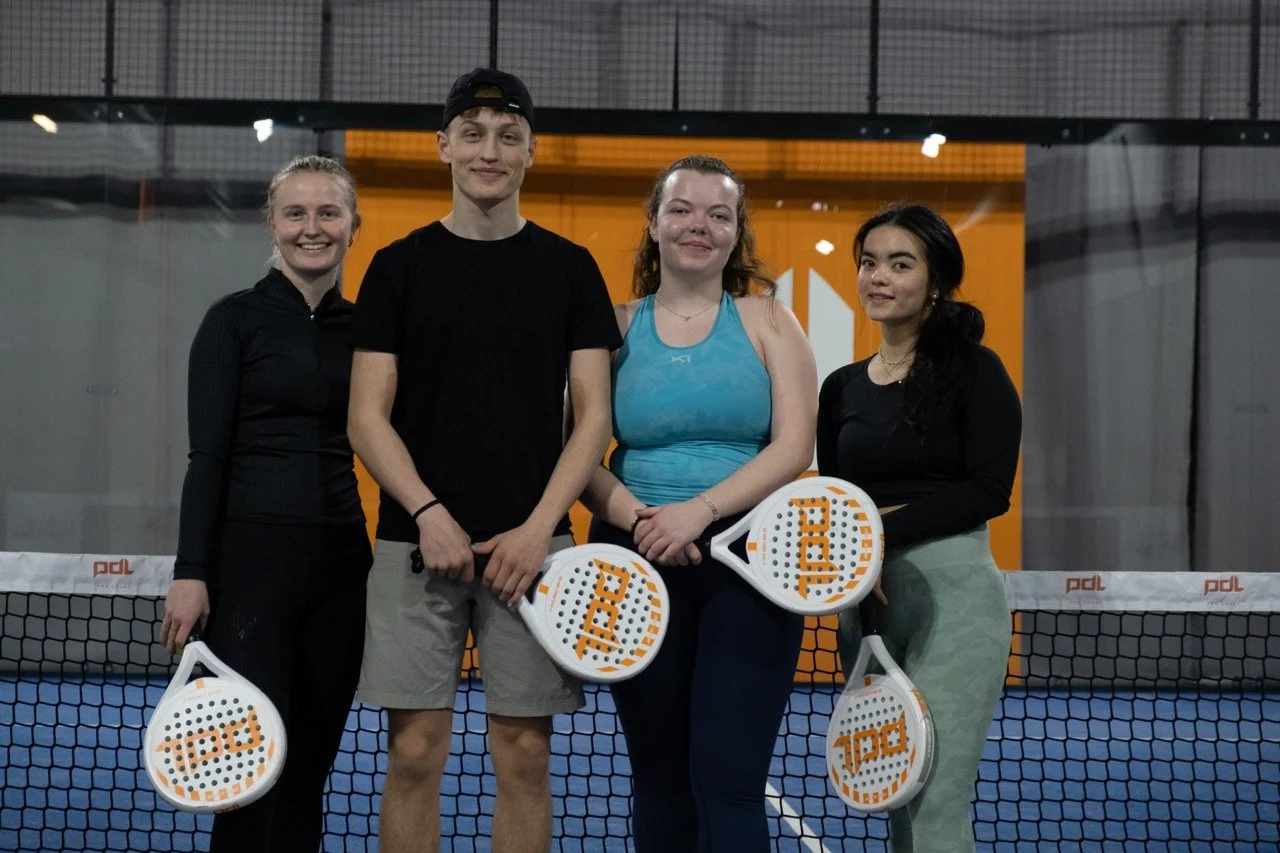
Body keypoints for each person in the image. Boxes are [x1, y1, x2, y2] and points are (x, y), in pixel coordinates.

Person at [347, 68, 619, 853]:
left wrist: (539, 529)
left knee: (526, 757)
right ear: (444, 147)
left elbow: (592, 416)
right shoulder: (398, 267)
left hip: (535, 557)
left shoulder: (570, 269)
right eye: (472, 133)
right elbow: (367, 417)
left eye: (507, 135)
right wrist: (428, 514)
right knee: (412, 756)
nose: (489, 150)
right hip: (412, 548)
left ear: (532, 150)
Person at [580, 154, 818, 852]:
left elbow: (793, 446)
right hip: (632, 564)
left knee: (731, 780)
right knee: (658, 778)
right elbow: (575, 452)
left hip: (750, 566)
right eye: (682, 209)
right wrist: (643, 521)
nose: (699, 226)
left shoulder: (771, 319)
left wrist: (702, 512)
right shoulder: (614, 326)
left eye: (719, 214)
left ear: (735, 233)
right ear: (654, 223)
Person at [160, 154, 372, 852]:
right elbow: (207, 456)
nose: (312, 228)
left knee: (310, 769)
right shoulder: (232, 321)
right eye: (296, 213)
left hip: (343, 566)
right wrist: (191, 569)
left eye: (328, 212)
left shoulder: (369, 331)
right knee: (247, 774)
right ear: (272, 224)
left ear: (352, 225)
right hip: (248, 568)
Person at [816, 202, 1020, 851]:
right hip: (866, 608)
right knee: (897, 800)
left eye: (900, 264)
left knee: (935, 800)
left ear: (934, 281)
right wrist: (853, 556)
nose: (879, 276)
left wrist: (878, 536)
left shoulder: (978, 371)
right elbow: (839, 498)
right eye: (869, 262)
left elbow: (989, 490)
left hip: (954, 600)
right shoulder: (839, 387)